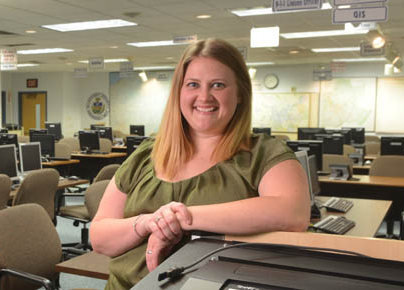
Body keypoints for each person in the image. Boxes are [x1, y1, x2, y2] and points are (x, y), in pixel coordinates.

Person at [89, 38, 310, 290]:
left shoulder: (263, 153)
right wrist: (148, 222)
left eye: (218, 85)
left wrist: (182, 218)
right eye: (193, 84)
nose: (204, 97)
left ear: (239, 94)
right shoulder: (147, 152)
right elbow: (99, 238)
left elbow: (293, 213)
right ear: (179, 93)